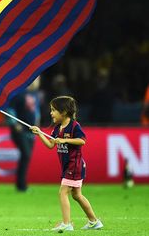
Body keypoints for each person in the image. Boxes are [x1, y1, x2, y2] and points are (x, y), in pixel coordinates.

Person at [30, 96, 103, 232]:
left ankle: (67, 223)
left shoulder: (74, 126)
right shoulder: (57, 128)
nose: (51, 113)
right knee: (76, 195)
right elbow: (51, 145)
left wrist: (64, 141)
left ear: (63, 112)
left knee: (63, 192)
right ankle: (94, 221)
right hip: (68, 166)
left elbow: (82, 141)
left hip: (74, 165)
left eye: (53, 110)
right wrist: (39, 133)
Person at [6, 77, 41, 192]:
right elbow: (10, 110)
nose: (38, 82)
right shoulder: (19, 93)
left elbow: (36, 112)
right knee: (26, 154)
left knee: (26, 156)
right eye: (36, 79)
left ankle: (21, 184)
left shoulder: (34, 94)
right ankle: (21, 185)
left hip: (31, 131)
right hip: (20, 131)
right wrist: (15, 124)